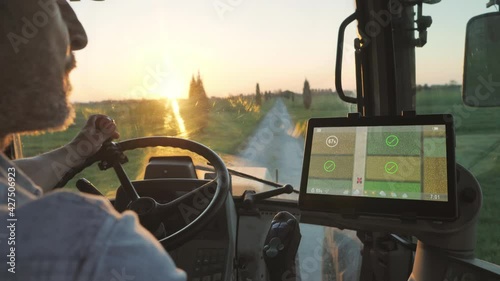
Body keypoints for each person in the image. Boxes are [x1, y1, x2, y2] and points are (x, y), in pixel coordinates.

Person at [0, 0, 186, 280]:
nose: (78, 35)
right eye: (53, 2)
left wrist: (78, 149)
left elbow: (11, 182)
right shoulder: (95, 250)